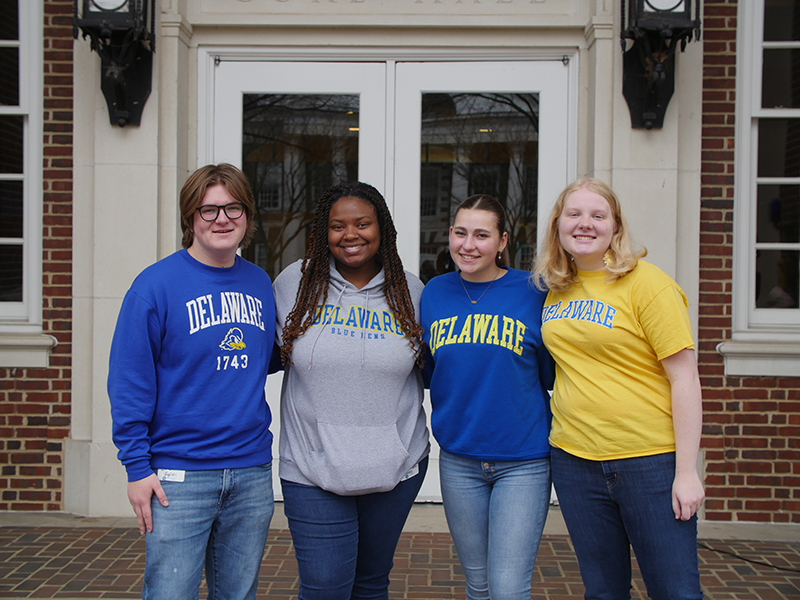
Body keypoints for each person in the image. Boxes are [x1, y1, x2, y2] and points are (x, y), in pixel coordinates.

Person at [108, 163, 275, 600]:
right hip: (178, 475)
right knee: (169, 593)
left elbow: (266, 358)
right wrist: (136, 467)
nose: (222, 219)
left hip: (250, 470)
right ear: (190, 219)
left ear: (247, 216)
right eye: (209, 210)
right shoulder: (155, 286)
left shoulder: (259, 284)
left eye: (233, 208)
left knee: (238, 594)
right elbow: (129, 381)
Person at [532, 178, 705, 600]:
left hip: (647, 461)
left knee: (675, 591)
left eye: (597, 215)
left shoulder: (648, 284)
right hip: (575, 460)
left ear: (616, 227)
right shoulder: (556, 288)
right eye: (574, 214)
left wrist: (686, 472)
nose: (584, 224)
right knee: (604, 590)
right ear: (558, 225)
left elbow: (685, 378)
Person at [272, 181, 430, 600]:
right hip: (311, 466)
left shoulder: (411, 292)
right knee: (324, 587)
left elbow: (436, 370)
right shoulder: (294, 283)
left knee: (371, 585)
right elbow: (260, 354)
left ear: (383, 229)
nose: (351, 234)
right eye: (337, 226)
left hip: (395, 467)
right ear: (323, 232)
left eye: (363, 223)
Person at [419, 194, 553, 600]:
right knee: (477, 586)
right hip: (459, 461)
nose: (468, 244)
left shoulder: (534, 291)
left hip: (523, 462)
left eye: (482, 235)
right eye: (460, 233)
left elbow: (548, 372)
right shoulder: (434, 294)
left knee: (508, 588)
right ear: (450, 236)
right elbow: (430, 370)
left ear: (502, 241)